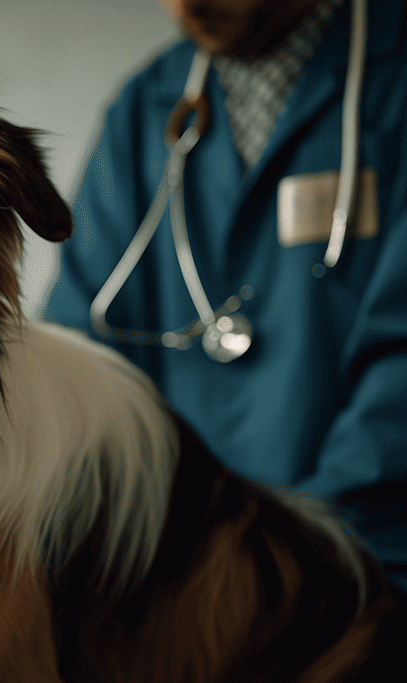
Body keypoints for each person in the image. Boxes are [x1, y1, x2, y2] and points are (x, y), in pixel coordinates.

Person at [44, 0, 407, 593]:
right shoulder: (144, 109)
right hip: (178, 582)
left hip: (367, 578)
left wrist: (290, 560)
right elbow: (79, 361)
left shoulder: (392, 79)